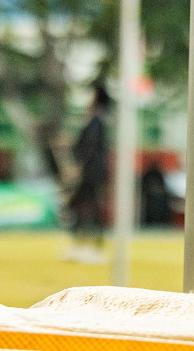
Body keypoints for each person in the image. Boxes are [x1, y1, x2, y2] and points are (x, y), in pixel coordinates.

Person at [66, 83, 110, 262]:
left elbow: (89, 148)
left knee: (85, 206)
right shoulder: (96, 121)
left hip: (91, 170)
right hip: (92, 169)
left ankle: (89, 247)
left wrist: (78, 167)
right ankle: (86, 245)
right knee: (86, 206)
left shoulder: (96, 122)